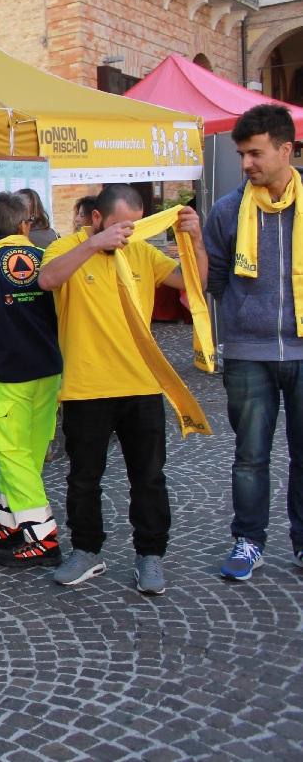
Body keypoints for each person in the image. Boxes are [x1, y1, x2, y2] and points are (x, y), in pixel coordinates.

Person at [38, 184, 206, 595]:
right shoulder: (67, 249)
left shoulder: (141, 252)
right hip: (86, 388)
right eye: (117, 227)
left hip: (142, 385)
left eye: (133, 227)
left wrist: (196, 239)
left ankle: (150, 555)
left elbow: (194, 282)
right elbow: (47, 280)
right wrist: (94, 244)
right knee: (83, 478)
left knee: (148, 477)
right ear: (96, 218)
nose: (125, 235)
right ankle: (86, 551)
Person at [204, 103, 303, 579]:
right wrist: (243, 321)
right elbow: (216, 280)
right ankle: (248, 541)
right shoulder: (226, 211)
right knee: (250, 457)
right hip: (248, 354)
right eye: (242, 154)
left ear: (286, 149)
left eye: (255, 153)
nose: (246, 164)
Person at [0, 193, 64, 569]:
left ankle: (42, 536)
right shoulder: (48, 258)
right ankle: (10, 523)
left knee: (11, 453)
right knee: (30, 453)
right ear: (25, 225)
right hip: (49, 372)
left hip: (6, 376)